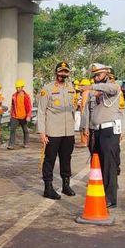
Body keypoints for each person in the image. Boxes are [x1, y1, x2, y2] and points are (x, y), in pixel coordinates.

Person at [81, 63, 122, 208]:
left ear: (106, 74)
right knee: (98, 163)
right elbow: (88, 111)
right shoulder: (95, 92)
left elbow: (109, 88)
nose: (96, 78)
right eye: (95, 76)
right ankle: (102, 192)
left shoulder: (113, 87)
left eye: (99, 75)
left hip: (109, 131)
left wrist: (91, 87)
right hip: (97, 131)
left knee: (109, 165)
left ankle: (111, 198)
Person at [37, 62, 77, 200]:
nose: (63, 74)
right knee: (49, 160)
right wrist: (42, 132)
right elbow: (41, 112)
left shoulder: (72, 88)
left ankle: (66, 185)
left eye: (65, 72)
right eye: (61, 72)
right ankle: (48, 188)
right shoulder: (47, 89)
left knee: (66, 159)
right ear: (56, 73)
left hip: (68, 132)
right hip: (52, 132)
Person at [8, 80, 32, 149]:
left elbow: (29, 107)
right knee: (12, 130)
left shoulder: (26, 96)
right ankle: (11, 145)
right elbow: (12, 105)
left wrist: (28, 116)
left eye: (18, 87)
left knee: (25, 130)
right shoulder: (14, 95)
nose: (17, 89)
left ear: (22, 87)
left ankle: (26, 143)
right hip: (14, 116)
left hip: (23, 116)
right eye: (16, 87)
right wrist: (11, 114)